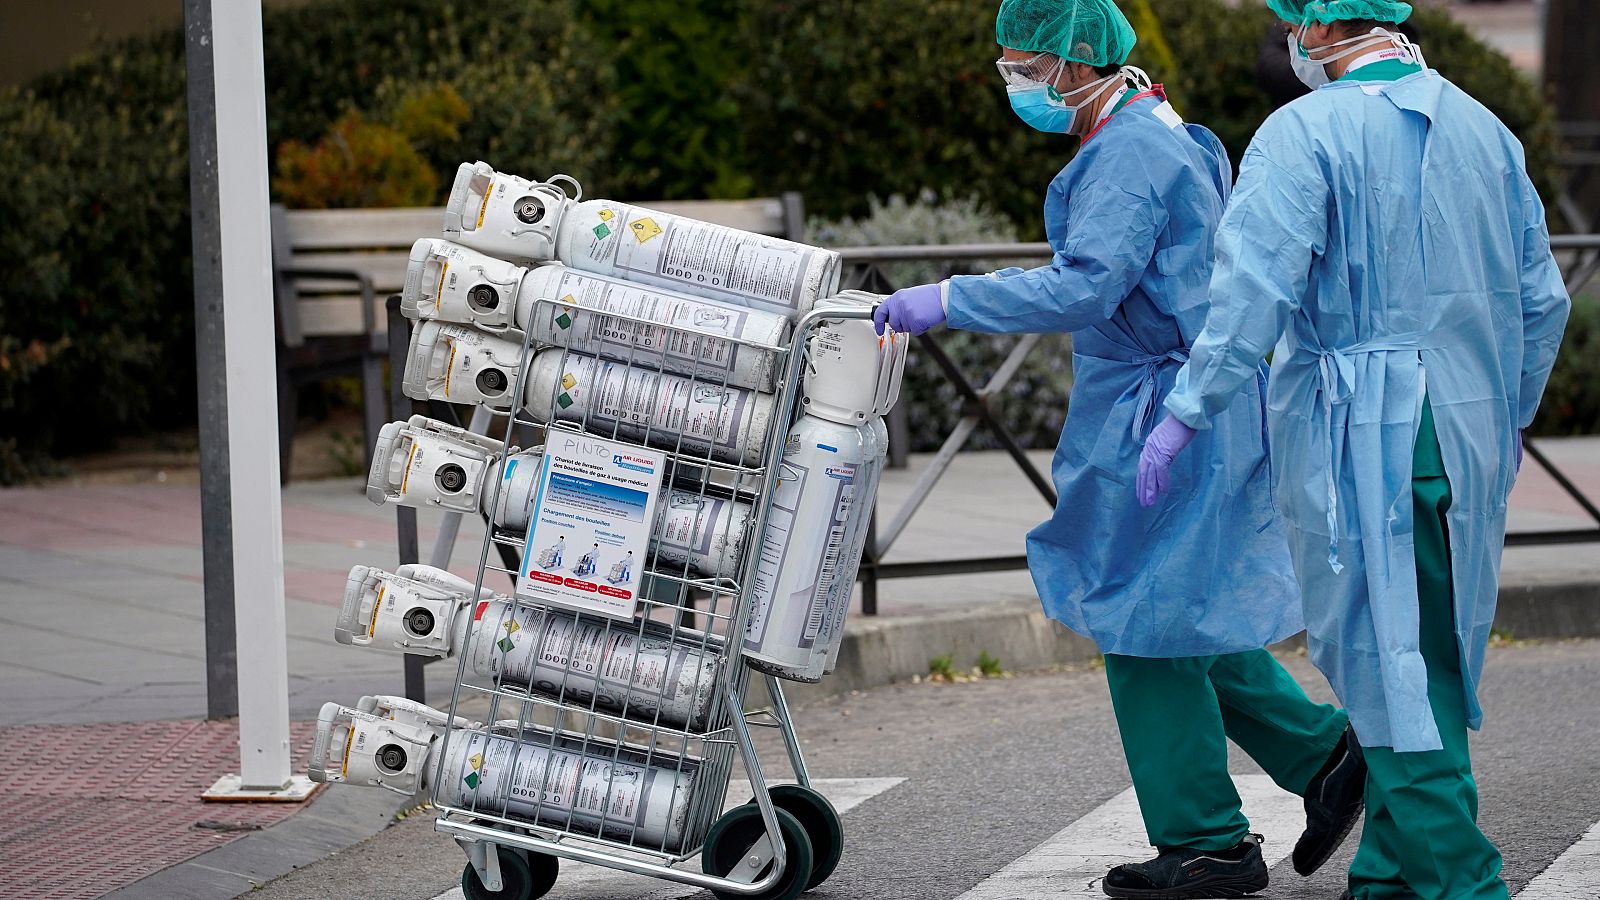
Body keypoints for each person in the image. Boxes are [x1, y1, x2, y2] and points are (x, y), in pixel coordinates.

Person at [874, 1, 1364, 895]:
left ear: (1074, 62)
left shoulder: (1129, 152)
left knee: (1140, 625)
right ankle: (1325, 756)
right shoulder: (1158, 127)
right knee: (1179, 610)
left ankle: (1208, 842)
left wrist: (949, 299)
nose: (1016, 82)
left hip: (1161, 411)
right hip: (1188, 399)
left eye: (1026, 66)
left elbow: (1085, 287)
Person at [1137, 1, 1571, 897]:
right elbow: (1542, 299)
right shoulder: (1484, 128)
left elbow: (1251, 294)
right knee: (1433, 656)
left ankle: (1463, 880)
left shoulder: (1303, 131)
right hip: (1467, 424)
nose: (1292, 37)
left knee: (1389, 666)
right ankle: (1390, 875)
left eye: (1295, 22)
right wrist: (1509, 415)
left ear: (1326, 29)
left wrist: (1187, 410)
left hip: (1366, 431)